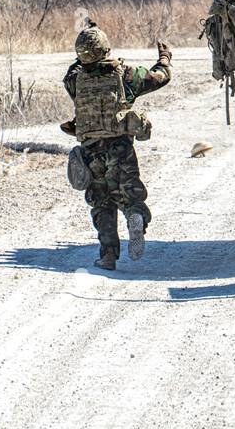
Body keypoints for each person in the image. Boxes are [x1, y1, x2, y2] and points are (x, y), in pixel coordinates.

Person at [61, 23, 173, 270]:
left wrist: (84, 54)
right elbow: (159, 78)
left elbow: (75, 68)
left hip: (91, 151)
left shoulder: (73, 80)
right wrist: (164, 58)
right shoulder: (125, 75)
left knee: (101, 202)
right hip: (119, 148)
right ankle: (135, 218)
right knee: (129, 192)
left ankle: (108, 255)